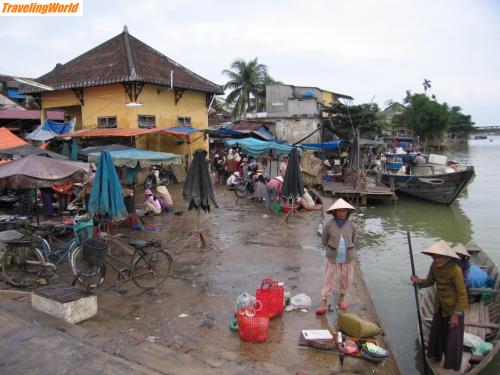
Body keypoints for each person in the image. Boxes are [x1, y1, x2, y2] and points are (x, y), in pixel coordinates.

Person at [410, 240, 467, 371]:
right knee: (438, 334)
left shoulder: (455, 270)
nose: (437, 260)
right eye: (434, 257)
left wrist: (456, 316)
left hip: (454, 309)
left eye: (440, 257)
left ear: (447, 257)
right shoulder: (434, 267)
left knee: (452, 339)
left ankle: (452, 365)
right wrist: (418, 281)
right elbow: (429, 282)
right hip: (439, 306)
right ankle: (437, 356)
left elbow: (462, 295)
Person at [316, 198, 357, 315]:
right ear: (335, 212)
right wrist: (332, 249)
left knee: (346, 280)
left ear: (347, 212)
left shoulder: (352, 225)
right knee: (329, 280)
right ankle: (324, 302)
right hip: (333, 258)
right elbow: (324, 241)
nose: (342, 213)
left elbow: (353, 240)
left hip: (348, 258)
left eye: (344, 211)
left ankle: (342, 299)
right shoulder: (329, 225)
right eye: (339, 211)